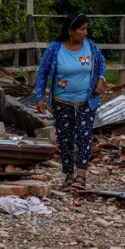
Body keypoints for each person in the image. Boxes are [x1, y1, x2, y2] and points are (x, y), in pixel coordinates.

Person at [33, 12, 106, 190]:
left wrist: (101, 79)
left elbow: (101, 63)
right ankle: (68, 175)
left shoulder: (90, 46)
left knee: (84, 136)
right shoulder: (55, 48)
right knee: (65, 139)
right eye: (82, 29)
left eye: (86, 28)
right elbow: (42, 73)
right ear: (70, 31)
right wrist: (39, 97)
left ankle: (81, 175)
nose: (85, 33)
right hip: (61, 101)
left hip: (86, 101)